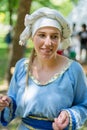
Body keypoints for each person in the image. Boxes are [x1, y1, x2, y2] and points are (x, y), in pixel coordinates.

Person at [0, 7, 87, 130]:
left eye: (54, 36)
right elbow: (13, 100)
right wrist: (5, 103)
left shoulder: (73, 70)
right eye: (42, 35)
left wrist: (69, 115)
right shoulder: (21, 67)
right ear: (32, 37)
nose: (48, 43)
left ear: (61, 39)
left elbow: (84, 105)